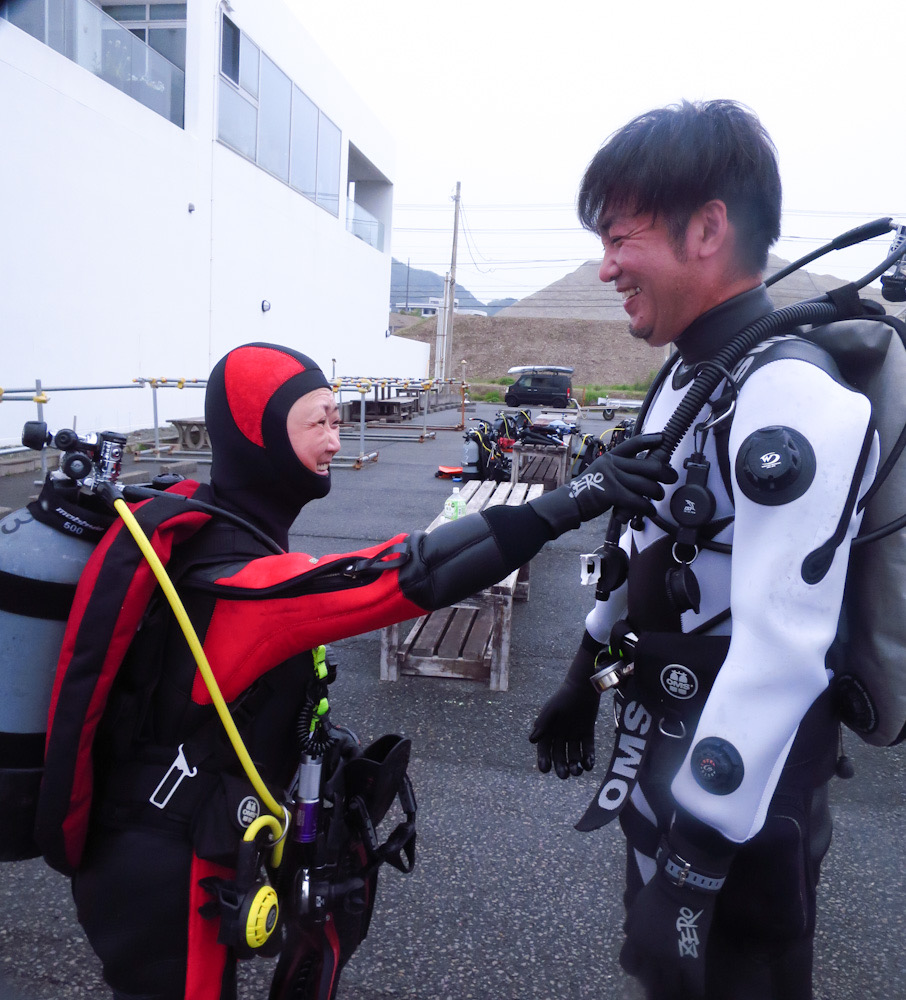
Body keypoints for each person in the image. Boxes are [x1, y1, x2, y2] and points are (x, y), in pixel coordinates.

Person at [36, 341, 674, 1000]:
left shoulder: (215, 524)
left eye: (339, 419)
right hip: (161, 870)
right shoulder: (240, 580)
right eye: (318, 422)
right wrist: (570, 502)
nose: (336, 439)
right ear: (256, 436)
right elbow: (409, 572)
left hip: (176, 842)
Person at [529, 100, 880, 999]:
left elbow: (782, 651)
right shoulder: (688, 375)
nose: (605, 266)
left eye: (619, 237)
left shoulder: (789, 394)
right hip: (664, 743)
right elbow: (645, 537)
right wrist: (582, 671)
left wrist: (692, 861)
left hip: (744, 801)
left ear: (708, 228)